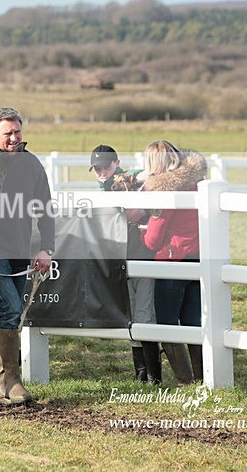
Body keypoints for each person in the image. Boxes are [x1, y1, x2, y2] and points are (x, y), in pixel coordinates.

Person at [0, 107, 55, 405]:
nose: (14, 137)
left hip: (20, 248)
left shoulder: (31, 164)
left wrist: (47, 247)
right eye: (8, 133)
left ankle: (6, 383)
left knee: (13, 312)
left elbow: (45, 208)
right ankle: (7, 383)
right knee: (9, 306)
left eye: (17, 131)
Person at [139, 140, 207, 384]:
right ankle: (201, 376)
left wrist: (139, 232)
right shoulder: (196, 185)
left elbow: (153, 240)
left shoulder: (163, 191)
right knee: (193, 321)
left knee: (167, 323)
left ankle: (184, 378)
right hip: (197, 258)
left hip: (171, 261)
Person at [96, 144, 161, 385]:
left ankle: (154, 374)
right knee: (131, 312)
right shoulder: (104, 191)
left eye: (105, 167)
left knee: (144, 312)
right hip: (122, 259)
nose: (102, 173)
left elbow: (146, 181)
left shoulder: (134, 181)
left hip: (142, 256)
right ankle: (141, 372)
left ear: (116, 164)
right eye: (97, 169)